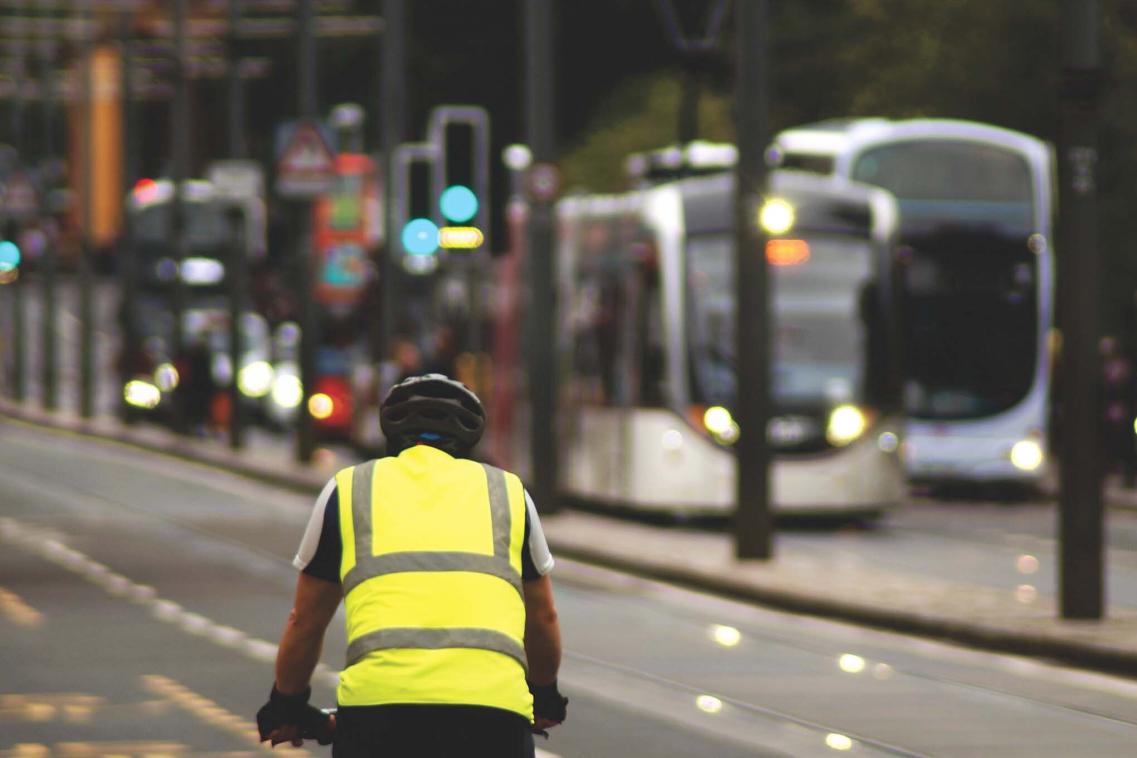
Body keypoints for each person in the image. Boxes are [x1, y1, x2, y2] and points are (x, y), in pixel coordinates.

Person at [256, 373, 567, 756]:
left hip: (379, 716)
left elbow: (305, 622)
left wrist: (286, 705)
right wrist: (545, 696)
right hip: (493, 717)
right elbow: (543, 618)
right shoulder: (509, 493)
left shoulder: (349, 489)